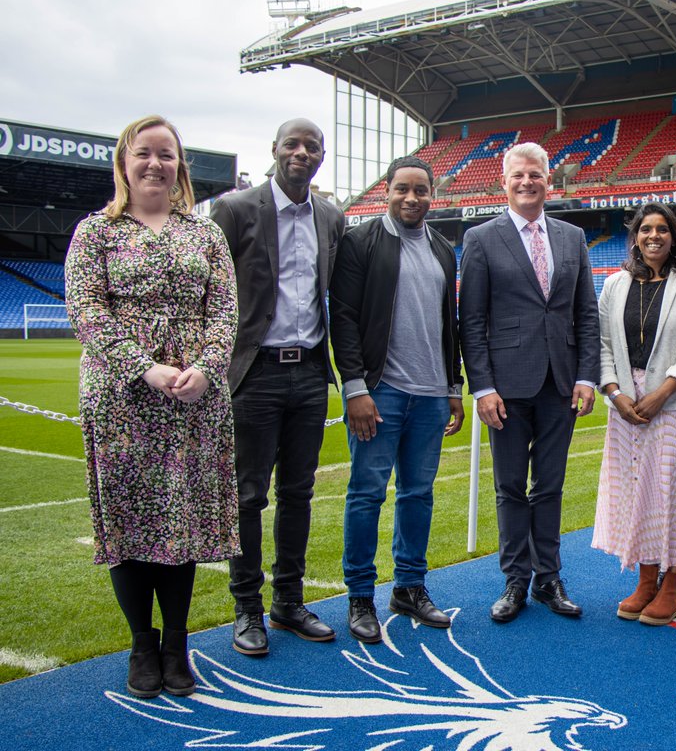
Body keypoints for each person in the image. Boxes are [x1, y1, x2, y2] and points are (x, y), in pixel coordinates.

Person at [64, 115, 239, 699]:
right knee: (130, 524)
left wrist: (207, 369)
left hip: (193, 401)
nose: (156, 164)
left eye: (167, 155)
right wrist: (147, 367)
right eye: (145, 153)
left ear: (179, 166)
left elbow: (224, 312)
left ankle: (176, 644)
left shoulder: (205, 233)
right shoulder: (95, 232)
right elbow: (88, 312)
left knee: (180, 524)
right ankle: (142, 642)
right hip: (122, 400)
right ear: (124, 161)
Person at [211, 118, 345, 655]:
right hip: (256, 374)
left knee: (299, 493)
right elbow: (210, 288)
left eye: (312, 146)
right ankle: (246, 607)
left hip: (310, 372)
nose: (301, 152)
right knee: (248, 495)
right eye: (292, 144)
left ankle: (288, 602)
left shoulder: (331, 217)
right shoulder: (236, 208)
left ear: (321, 157)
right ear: (274, 150)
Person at [458, 141, 601, 623]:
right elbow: (471, 320)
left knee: (552, 485)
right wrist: (482, 387)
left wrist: (586, 375)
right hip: (506, 386)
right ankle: (515, 580)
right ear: (505, 181)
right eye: (518, 175)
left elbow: (585, 312)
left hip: (560, 382)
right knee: (510, 487)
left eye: (535, 175)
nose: (527, 182)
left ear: (548, 181)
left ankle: (549, 578)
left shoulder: (571, 237)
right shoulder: (481, 238)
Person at [329, 156, 464, 643]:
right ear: (386, 191)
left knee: (418, 494)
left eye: (421, 190)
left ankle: (409, 586)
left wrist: (453, 387)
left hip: (430, 395)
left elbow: (449, 326)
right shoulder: (361, 241)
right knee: (366, 494)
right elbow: (342, 318)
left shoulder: (444, 249)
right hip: (380, 391)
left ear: (433, 195)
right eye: (402, 189)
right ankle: (360, 595)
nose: (412, 198)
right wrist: (356, 387)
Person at [593, 202, 676, 625]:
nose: (654, 236)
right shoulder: (615, 284)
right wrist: (614, 393)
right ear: (636, 237)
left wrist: (663, 391)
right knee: (635, 493)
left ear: (674, 236)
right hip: (626, 408)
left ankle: (675, 581)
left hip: (674, 404)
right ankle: (646, 579)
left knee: (671, 492)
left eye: (663, 229)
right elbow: (604, 346)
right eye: (646, 229)